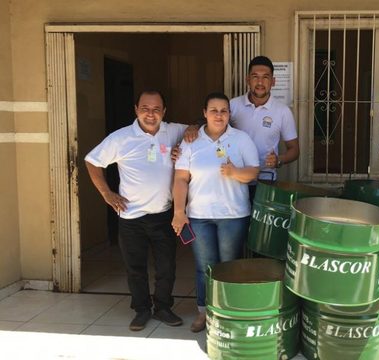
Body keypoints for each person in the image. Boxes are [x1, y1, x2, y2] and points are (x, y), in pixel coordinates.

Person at [85, 90, 185, 331]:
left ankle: (162, 307)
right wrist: (107, 194)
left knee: (166, 267)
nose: (151, 114)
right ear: (136, 109)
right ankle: (141, 310)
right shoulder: (120, 138)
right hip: (131, 217)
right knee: (135, 268)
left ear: (164, 112)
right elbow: (92, 161)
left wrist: (187, 137)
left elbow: (202, 127)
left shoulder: (172, 131)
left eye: (156, 109)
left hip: (163, 214)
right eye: (145, 108)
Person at [171, 92, 259, 332]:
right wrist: (179, 211)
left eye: (223, 110)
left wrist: (235, 173)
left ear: (229, 114)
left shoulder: (241, 139)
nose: (219, 115)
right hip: (199, 216)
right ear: (204, 113)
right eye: (214, 110)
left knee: (229, 266)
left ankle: (228, 314)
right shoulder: (190, 141)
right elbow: (180, 179)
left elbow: (253, 172)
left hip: (233, 215)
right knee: (204, 267)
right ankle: (204, 313)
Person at [181, 56, 299, 199]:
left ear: (273, 81)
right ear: (247, 80)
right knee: (239, 218)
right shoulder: (233, 105)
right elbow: (213, 122)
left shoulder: (282, 111)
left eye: (266, 77)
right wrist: (193, 127)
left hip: (265, 179)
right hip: (234, 177)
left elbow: (294, 150)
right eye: (255, 77)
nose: (260, 82)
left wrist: (278, 160)